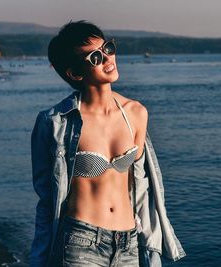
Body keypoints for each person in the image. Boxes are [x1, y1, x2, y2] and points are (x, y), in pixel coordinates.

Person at [30, 21, 185, 267]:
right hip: (81, 241)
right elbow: (47, 200)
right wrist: (38, 261)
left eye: (108, 49)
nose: (106, 58)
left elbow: (141, 189)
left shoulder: (136, 113)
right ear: (74, 73)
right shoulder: (54, 123)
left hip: (128, 243)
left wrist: (151, 247)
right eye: (94, 56)